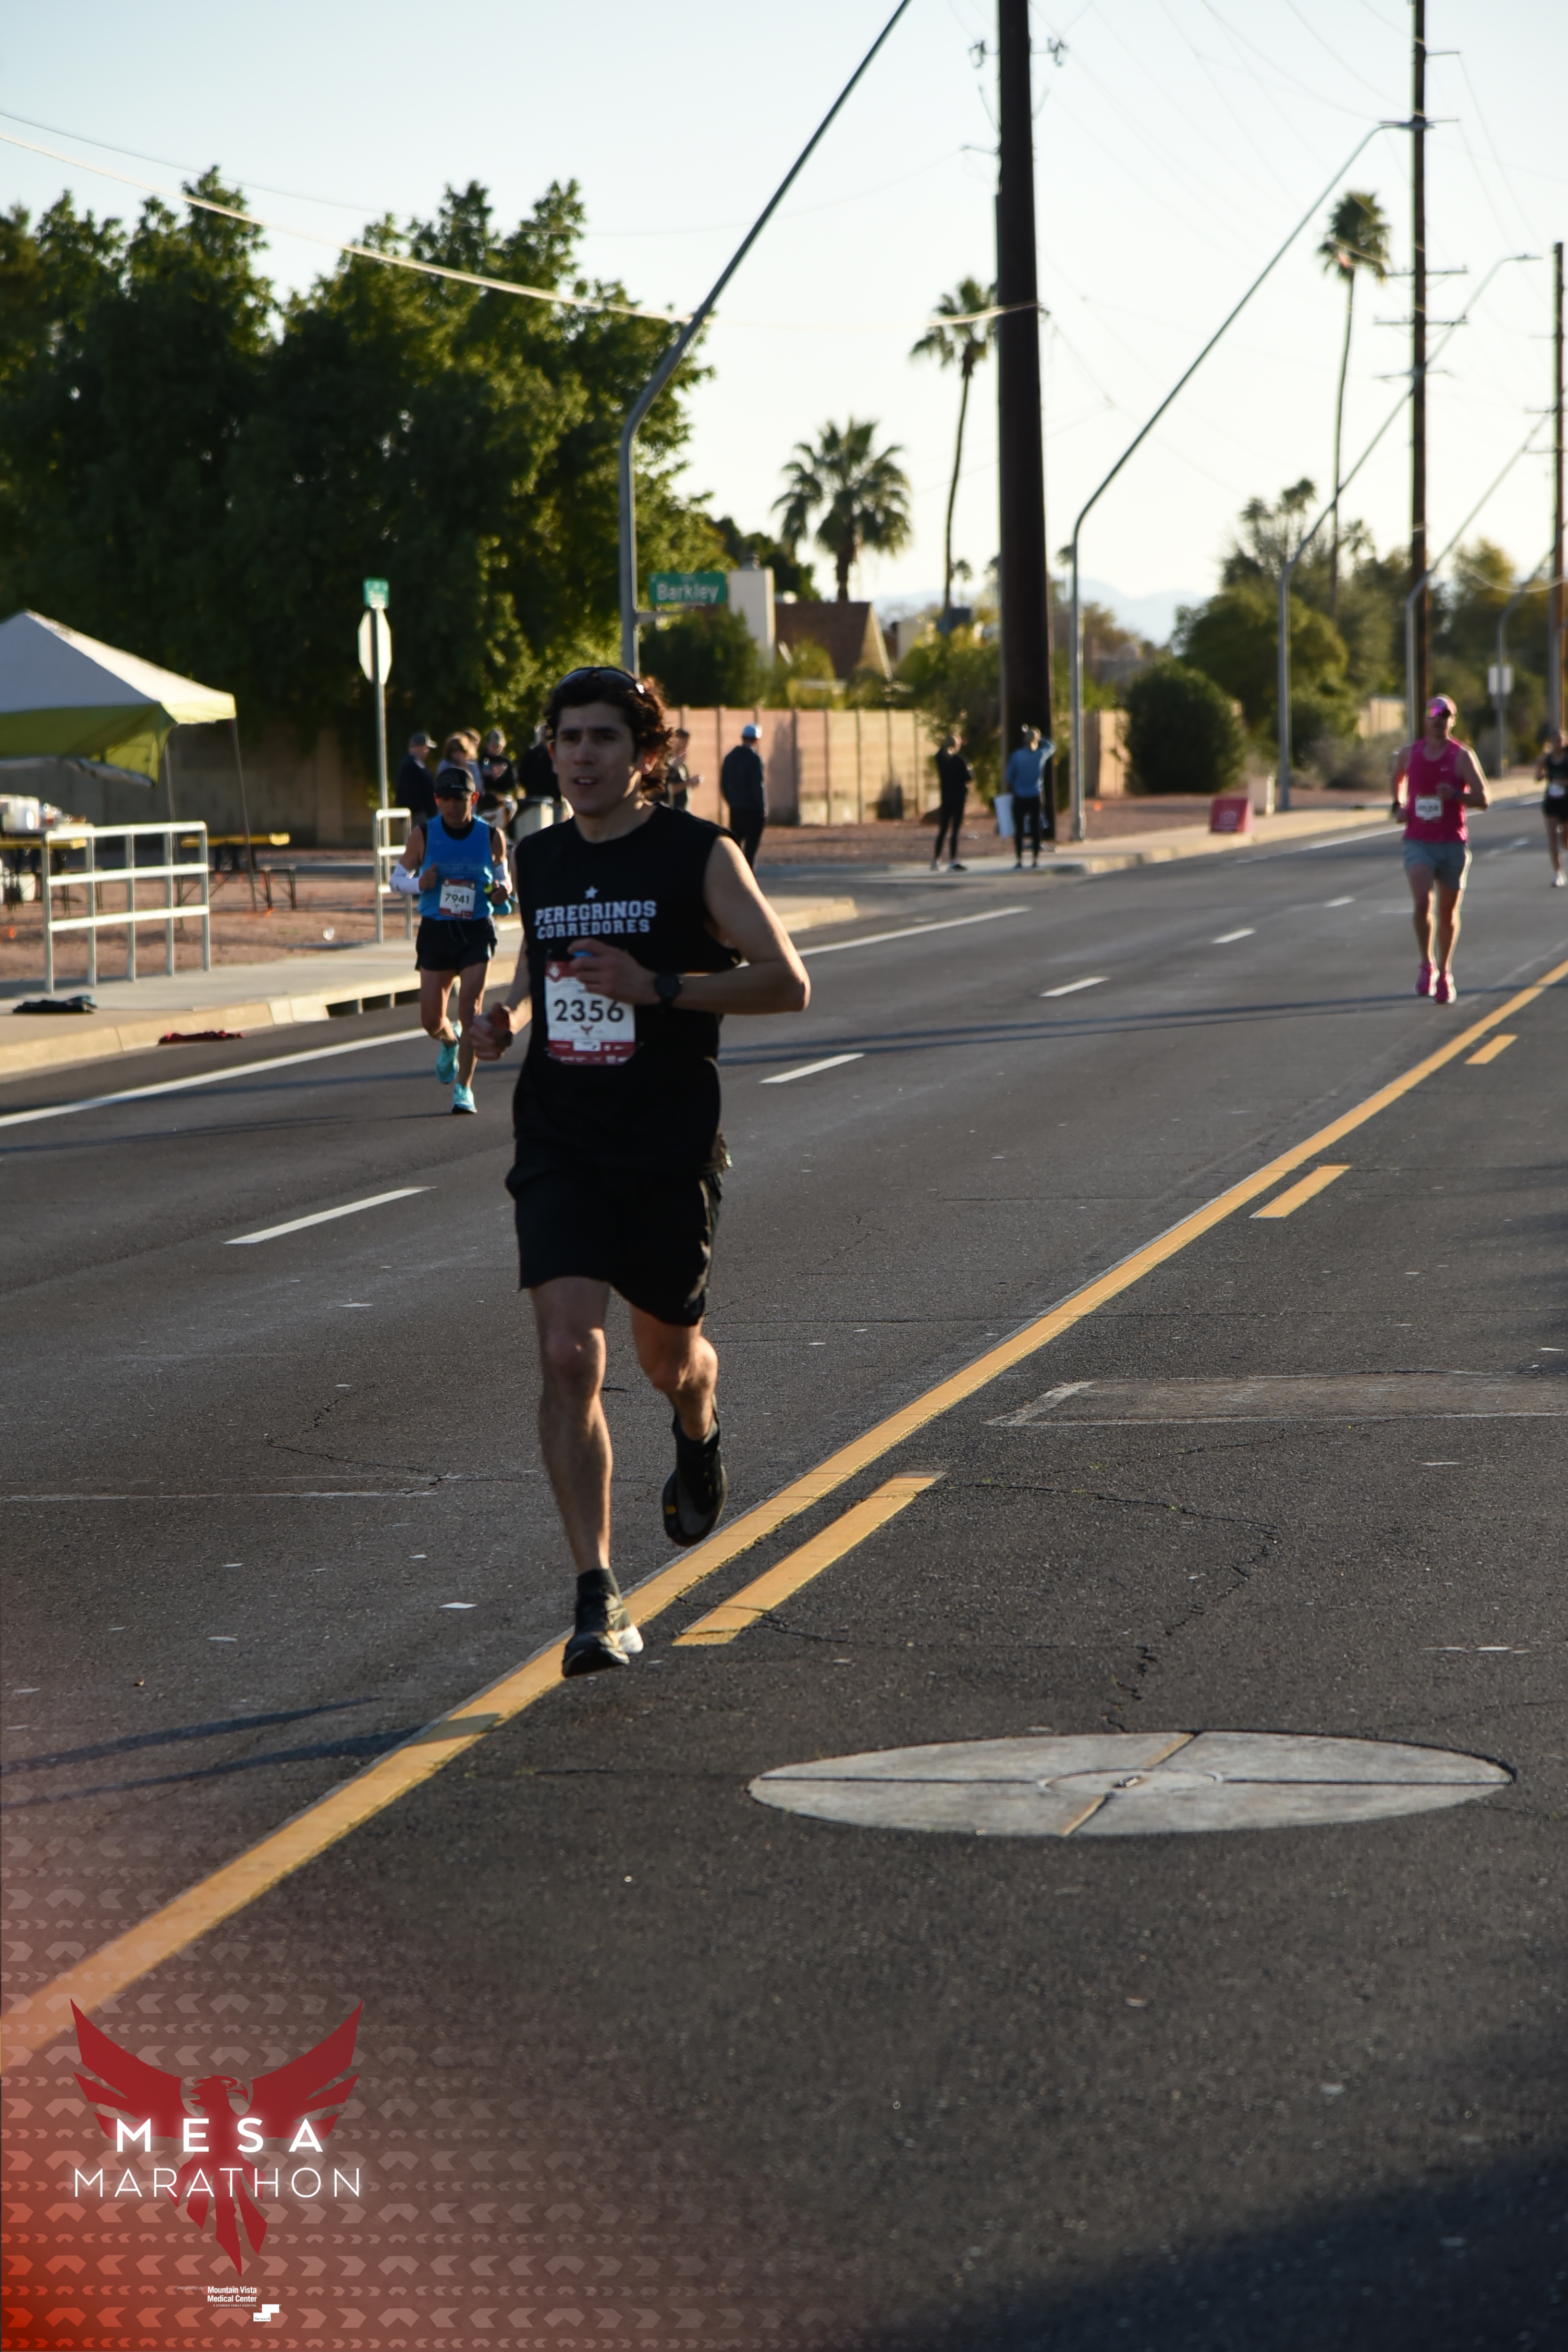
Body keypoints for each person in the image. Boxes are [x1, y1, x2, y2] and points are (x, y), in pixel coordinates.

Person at [469, 667, 808, 1678]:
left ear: (644, 753)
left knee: (667, 1360)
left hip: (666, 1144)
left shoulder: (697, 854)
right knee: (568, 1353)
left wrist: (657, 985)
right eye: (567, 738)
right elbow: (539, 962)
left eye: (603, 738)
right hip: (562, 1138)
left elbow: (786, 982)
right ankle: (598, 1595)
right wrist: (506, 1012)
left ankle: (698, 1423)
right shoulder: (538, 855)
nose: (581, 755)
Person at [396, 764, 511, 1112]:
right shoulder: (424, 835)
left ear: (473, 799)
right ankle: (449, 1041)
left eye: (458, 799)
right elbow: (396, 880)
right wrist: (419, 884)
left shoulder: (490, 836)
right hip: (437, 930)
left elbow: (504, 878)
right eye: (445, 799)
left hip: (476, 929)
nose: (451, 806)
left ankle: (464, 1088)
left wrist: (503, 890)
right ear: (437, 800)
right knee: (432, 1020)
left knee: (470, 1011)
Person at [1390, 694, 1490, 1003]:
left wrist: (1457, 796)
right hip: (1418, 841)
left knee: (1447, 913)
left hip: (1451, 843)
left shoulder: (1462, 756)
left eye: (1445, 716)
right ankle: (1426, 965)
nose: (1438, 720)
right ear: (1425, 719)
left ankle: (1445, 972)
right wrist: (1398, 804)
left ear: (1452, 721)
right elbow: (1397, 777)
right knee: (1422, 902)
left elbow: (1484, 799)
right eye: (1434, 714)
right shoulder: (1410, 754)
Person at [720, 721, 767, 868]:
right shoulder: (755, 759)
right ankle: (748, 876)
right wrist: (763, 807)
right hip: (753, 810)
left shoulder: (730, 757)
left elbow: (724, 785)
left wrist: (732, 801)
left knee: (736, 848)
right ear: (756, 740)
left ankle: (735, 875)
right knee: (750, 850)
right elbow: (758, 785)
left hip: (736, 809)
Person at [1005, 725, 1050, 868]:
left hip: (1020, 795)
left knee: (1019, 829)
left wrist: (1016, 785)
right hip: (1035, 795)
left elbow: (1009, 777)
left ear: (1024, 740)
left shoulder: (1017, 756)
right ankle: (1035, 859)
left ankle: (1019, 859)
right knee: (1036, 828)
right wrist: (1039, 738)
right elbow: (1051, 746)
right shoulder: (1040, 754)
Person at [932, 733, 972, 871]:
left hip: (946, 798)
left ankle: (936, 859)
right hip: (959, 798)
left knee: (943, 830)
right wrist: (970, 769)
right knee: (955, 830)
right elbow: (969, 777)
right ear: (956, 746)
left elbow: (938, 754)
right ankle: (953, 860)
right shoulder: (960, 761)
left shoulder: (941, 760)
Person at [1536, 727, 1568, 886]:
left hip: (1566, 801)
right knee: (1553, 837)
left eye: (1560, 740)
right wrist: (1542, 773)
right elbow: (1538, 777)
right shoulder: (1547, 759)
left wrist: (1564, 782)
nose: (1558, 743)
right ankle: (1558, 873)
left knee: (1565, 840)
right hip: (1552, 801)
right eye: (1555, 740)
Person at [397, 732, 438, 825]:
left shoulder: (416, 764)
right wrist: (420, 812)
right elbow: (411, 793)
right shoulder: (411, 765)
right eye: (426, 748)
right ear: (422, 747)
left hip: (422, 814)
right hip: (418, 816)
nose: (427, 751)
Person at [658, 728, 700, 813]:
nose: (683, 749)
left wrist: (691, 782)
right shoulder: (667, 763)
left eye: (686, 746)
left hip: (684, 810)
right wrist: (687, 783)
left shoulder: (682, 765)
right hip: (674, 810)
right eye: (682, 745)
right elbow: (668, 788)